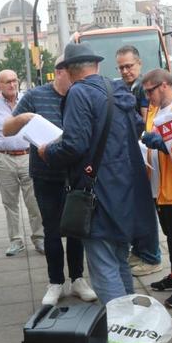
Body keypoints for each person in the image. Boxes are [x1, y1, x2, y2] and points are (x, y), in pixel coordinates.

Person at [38, 42, 156, 305]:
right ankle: (131, 318)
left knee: (103, 266)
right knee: (119, 259)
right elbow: (137, 126)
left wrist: (48, 152)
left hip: (98, 191)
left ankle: (119, 324)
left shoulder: (79, 93)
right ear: (97, 66)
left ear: (69, 70)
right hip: (127, 188)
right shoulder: (116, 88)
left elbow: (74, 145)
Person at [4, 56, 96, 306]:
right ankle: (55, 281)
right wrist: (24, 119)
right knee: (52, 229)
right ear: (59, 72)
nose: (77, 78)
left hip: (75, 174)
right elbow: (7, 129)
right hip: (45, 175)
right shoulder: (36, 96)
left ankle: (77, 278)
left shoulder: (80, 95)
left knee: (76, 228)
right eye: (72, 72)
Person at [140, 69, 172, 308]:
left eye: (149, 91)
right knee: (171, 236)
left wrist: (159, 143)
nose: (147, 97)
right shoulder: (154, 109)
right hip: (158, 186)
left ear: (163, 85)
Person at [0, 69, 44, 257]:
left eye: (14, 80)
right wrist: (5, 146)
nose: (12, 84)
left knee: (34, 200)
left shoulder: (28, 100)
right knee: (9, 203)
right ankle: (16, 241)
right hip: (4, 159)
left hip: (28, 156)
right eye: (7, 82)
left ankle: (39, 237)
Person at [116, 45, 162, 276]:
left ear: (139, 63)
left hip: (143, 152)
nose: (125, 71)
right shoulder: (126, 87)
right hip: (134, 151)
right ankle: (141, 250)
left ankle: (151, 256)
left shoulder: (142, 87)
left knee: (144, 207)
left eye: (129, 66)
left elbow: (144, 124)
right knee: (135, 206)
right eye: (121, 67)